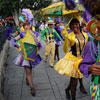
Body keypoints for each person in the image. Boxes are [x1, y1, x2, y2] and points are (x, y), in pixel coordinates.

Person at [54, 18, 88, 100]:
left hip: (82, 59)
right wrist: (66, 38)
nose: (74, 26)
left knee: (75, 78)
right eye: (72, 25)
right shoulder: (70, 36)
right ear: (71, 27)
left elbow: (86, 46)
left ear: (79, 25)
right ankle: (73, 97)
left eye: (76, 24)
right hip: (73, 60)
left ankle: (67, 90)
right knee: (74, 81)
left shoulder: (85, 35)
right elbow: (65, 50)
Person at [12, 21, 42, 96]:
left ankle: (27, 79)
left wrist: (38, 43)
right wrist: (15, 44)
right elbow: (14, 40)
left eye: (27, 25)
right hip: (24, 55)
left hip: (32, 55)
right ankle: (32, 88)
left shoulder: (35, 33)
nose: (26, 27)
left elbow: (39, 42)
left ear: (30, 25)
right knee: (28, 71)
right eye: (24, 25)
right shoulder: (22, 34)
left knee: (30, 70)